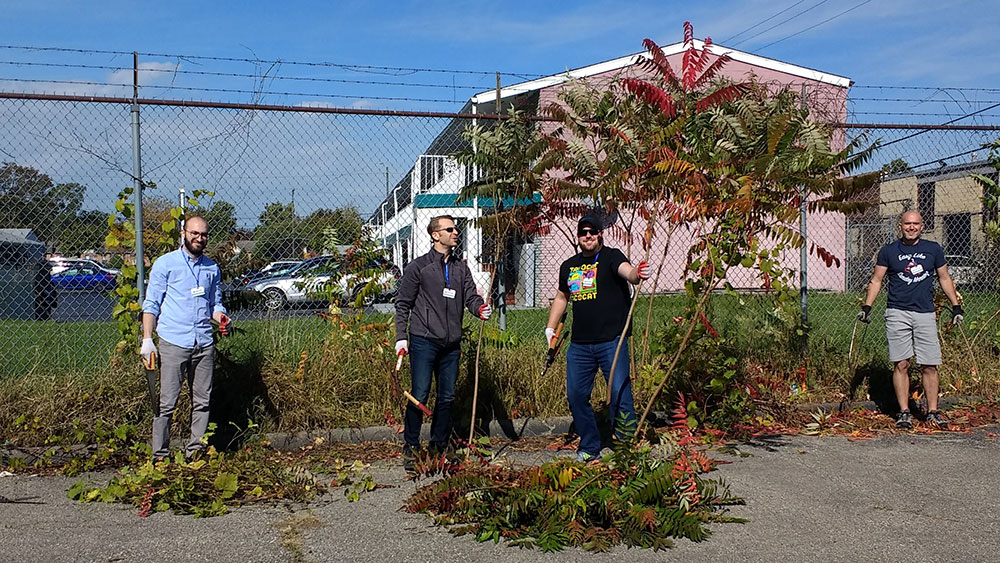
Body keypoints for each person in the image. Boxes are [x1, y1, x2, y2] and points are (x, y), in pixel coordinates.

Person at [545, 213, 649, 462]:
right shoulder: (569, 266)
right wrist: (550, 328)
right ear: (578, 237)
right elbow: (561, 297)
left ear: (600, 234)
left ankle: (626, 449)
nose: (588, 236)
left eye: (592, 232)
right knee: (576, 396)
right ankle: (590, 446)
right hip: (580, 344)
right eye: (583, 232)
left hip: (611, 340)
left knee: (619, 393)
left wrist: (637, 273)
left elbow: (629, 273)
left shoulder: (612, 257)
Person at [394, 215, 491, 470]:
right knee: (420, 395)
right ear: (436, 235)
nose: (455, 232)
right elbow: (403, 304)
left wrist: (479, 308)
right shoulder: (419, 267)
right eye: (449, 229)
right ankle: (411, 448)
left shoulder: (461, 267)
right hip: (424, 341)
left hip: (451, 345)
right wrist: (401, 338)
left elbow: (470, 296)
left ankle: (439, 447)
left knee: (447, 397)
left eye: (456, 228)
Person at [858, 210, 962, 429]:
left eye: (915, 223)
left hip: (925, 313)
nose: (911, 227)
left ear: (922, 226)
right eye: (907, 224)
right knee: (901, 363)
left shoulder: (933, 249)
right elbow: (877, 280)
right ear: (900, 226)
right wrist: (867, 307)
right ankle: (904, 411)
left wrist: (956, 306)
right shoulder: (889, 251)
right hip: (897, 312)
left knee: (930, 365)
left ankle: (933, 411)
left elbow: (944, 278)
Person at [140, 216, 230, 460]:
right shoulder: (165, 264)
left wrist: (220, 317)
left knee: (202, 401)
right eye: (194, 233)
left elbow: (214, 304)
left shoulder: (212, 268)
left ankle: (195, 452)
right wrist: (147, 340)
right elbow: (151, 304)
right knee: (166, 403)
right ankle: (160, 455)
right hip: (174, 342)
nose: (199, 238)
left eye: (203, 235)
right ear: (183, 233)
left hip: (203, 343)